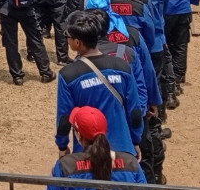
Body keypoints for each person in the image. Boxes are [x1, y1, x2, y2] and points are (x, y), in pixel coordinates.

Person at [55, 11, 144, 155]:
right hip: (122, 149)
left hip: (86, 153)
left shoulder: (68, 75)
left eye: (67, 36)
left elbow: (64, 117)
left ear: (77, 42)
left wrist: (62, 146)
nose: (66, 39)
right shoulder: (123, 67)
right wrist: (135, 140)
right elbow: (135, 112)